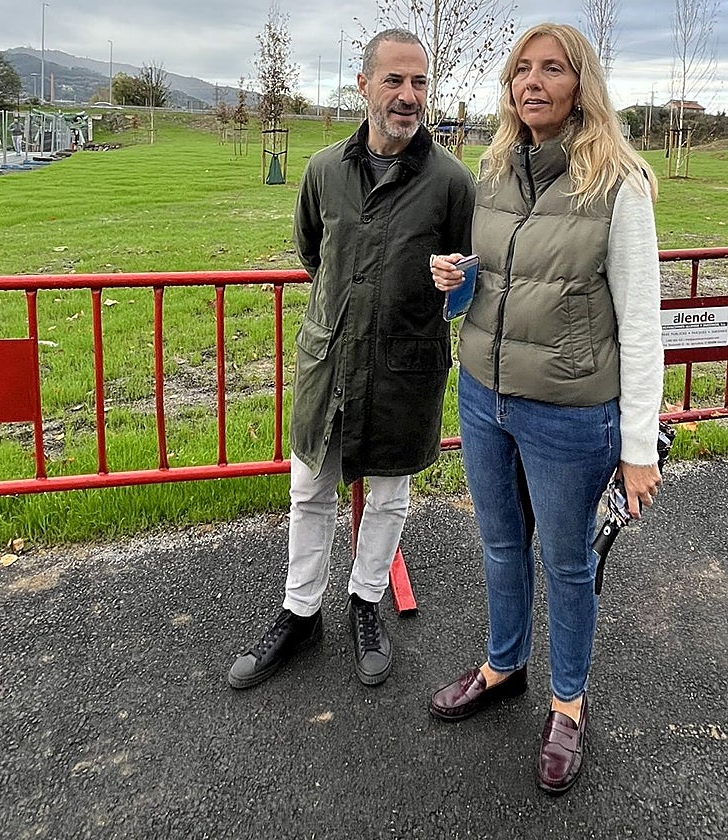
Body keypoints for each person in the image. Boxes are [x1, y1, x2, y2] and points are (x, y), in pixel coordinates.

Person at [427, 22, 665, 795]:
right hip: (485, 397)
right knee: (500, 547)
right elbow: (485, 287)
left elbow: (640, 323)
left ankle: (568, 704)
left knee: (565, 565)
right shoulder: (492, 171)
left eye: (551, 69)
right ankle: (504, 665)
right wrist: (449, 280)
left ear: (579, 85)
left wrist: (638, 447)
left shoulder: (618, 184)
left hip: (569, 410)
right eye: (521, 70)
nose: (532, 81)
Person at [227, 29, 475, 690]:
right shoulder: (322, 170)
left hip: (404, 365)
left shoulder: (451, 182)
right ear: (363, 85)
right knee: (309, 488)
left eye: (419, 82)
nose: (407, 96)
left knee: (390, 491)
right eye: (393, 80)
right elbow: (314, 253)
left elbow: (466, 271)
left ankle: (366, 603)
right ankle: (300, 612)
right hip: (330, 359)